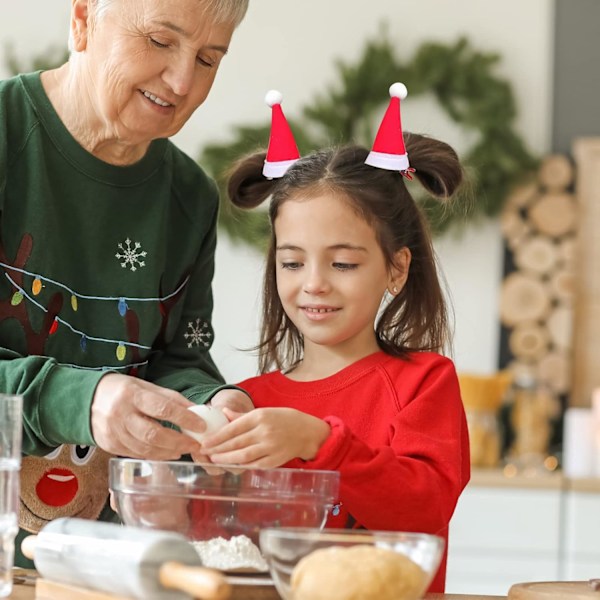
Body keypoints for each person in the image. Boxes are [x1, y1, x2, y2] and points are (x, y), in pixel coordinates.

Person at [0, 0, 253, 564]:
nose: (183, 80)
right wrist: (80, 402)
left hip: (102, 566)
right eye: (161, 42)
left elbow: (177, 358)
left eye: (209, 59)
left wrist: (213, 403)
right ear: (84, 19)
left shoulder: (189, 196)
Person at [198, 85, 471, 593]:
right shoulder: (250, 401)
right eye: (292, 262)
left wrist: (319, 442)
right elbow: (219, 542)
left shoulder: (424, 383)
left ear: (396, 267)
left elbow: (424, 511)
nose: (314, 283)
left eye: (343, 262)